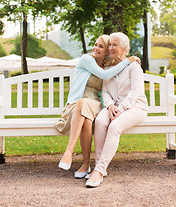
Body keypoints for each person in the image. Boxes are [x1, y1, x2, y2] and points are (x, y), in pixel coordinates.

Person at [55, 35, 140, 179]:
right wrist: (128, 61)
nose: (95, 48)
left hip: (94, 104)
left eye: (101, 46)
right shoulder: (86, 60)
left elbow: (108, 78)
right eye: (95, 44)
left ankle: (75, 156)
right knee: (84, 112)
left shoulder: (107, 66)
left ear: (107, 51)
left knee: (85, 106)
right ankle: (83, 161)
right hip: (75, 105)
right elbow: (105, 76)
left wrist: (127, 61)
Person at [86, 32, 148, 187]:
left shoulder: (134, 67)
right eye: (110, 44)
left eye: (115, 45)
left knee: (114, 126)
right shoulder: (108, 68)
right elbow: (105, 92)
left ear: (124, 48)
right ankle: (99, 165)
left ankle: (99, 171)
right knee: (100, 121)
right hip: (114, 107)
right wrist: (110, 105)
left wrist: (120, 109)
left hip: (135, 107)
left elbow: (135, 92)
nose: (111, 48)